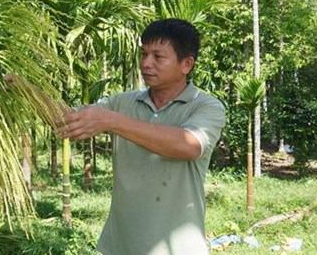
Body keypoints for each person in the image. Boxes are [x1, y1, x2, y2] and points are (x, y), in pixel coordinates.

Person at [56, 18, 225, 255]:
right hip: (120, 245)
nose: (146, 63)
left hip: (178, 248)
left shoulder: (206, 107)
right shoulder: (122, 102)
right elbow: (68, 118)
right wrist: (26, 90)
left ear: (186, 64)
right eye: (143, 54)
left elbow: (189, 145)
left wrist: (111, 121)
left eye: (158, 57)